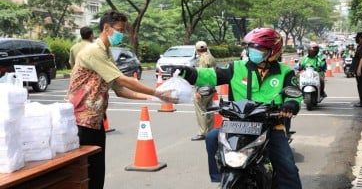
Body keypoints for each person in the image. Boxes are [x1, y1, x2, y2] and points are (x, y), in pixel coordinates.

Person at [173, 28, 303, 188]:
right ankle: (220, 177)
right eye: (251, 48)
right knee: (212, 138)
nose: (253, 52)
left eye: (260, 49)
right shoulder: (236, 67)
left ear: (273, 51)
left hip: (270, 125)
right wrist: (187, 72)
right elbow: (210, 74)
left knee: (287, 165)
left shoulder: (285, 72)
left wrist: (291, 104)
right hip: (238, 123)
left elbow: (295, 94)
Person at [65, 10, 178, 189]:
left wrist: (149, 98)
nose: (121, 34)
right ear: (106, 28)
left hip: (94, 120)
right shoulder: (94, 51)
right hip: (81, 120)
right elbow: (122, 80)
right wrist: (157, 92)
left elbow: (119, 89)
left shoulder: (107, 52)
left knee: (96, 171)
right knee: (86, 174)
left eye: (123, 30)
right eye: (119, 30)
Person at [191, 41, 217, 141]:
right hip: (211, 87)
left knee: (201, 110)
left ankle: (202, 133)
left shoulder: (202, 60)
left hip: (203, 89)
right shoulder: (211, 58)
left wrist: (197, 90)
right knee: (209, 110)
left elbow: (200, 75)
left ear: (197, 50)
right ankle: (210, 131)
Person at [352, 32, 362, 107]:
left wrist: (359, 69)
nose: (356, 39)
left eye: (357, 38)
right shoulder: (360, 46)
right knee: (361, 86)